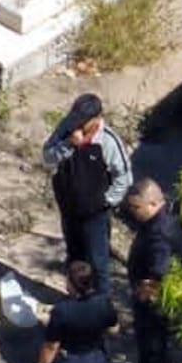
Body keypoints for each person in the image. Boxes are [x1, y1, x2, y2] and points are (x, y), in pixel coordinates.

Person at [43, 93, 132, 295]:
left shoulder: (109, 141)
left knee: (98, 261)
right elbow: (47, 156)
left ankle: (102, 306)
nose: (78, 125)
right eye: (76, 119)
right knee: (74, 256)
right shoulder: (66, 129)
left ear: (97, 118)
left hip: (95, 214)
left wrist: (105, 202)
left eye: (83, 121)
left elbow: (124, 177)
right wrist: (68, 145)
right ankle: (75, 299)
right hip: (69, 208)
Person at [124, 178, 182, 363]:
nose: (132, 212)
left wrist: (145, 290)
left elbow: (159, 271)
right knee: (145, 342)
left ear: (152, 203)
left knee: (155, 347)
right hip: (149, 297)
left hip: (156, 301)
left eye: (136, 207)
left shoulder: (160, 233)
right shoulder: (160, 220)